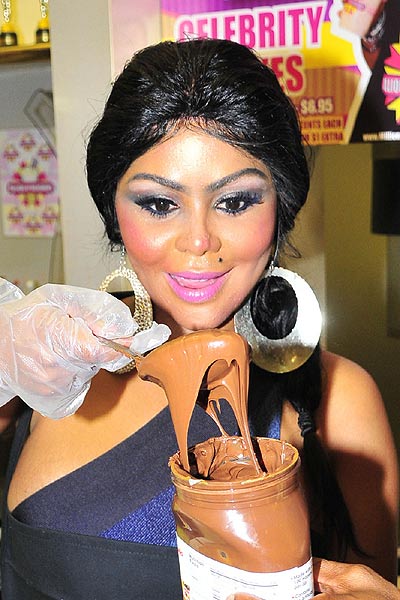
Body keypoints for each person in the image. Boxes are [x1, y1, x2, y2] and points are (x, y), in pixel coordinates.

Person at [0, 38, 398, 600]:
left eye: (235, 201)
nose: (198, 241)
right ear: (113, 210)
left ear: (281, 205)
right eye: (159, 204)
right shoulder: (44, 367)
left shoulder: (340, 401)